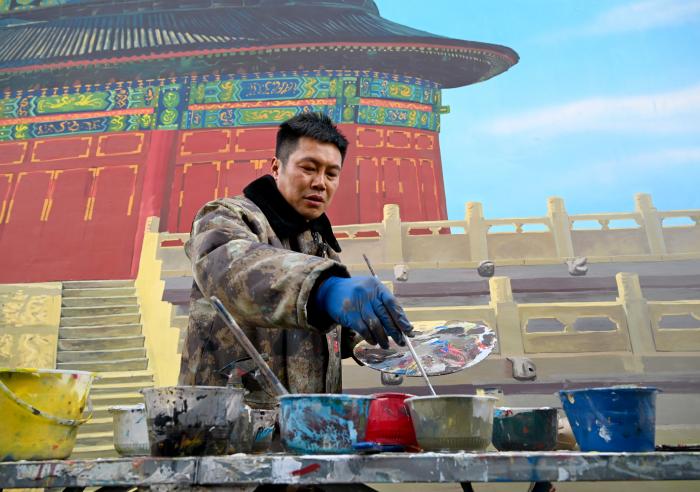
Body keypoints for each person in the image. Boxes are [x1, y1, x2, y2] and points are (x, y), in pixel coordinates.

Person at [178, 112, 413, 408]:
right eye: (309, 168)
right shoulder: (224, 216)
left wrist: (384, 340)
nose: (320, 183)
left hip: (310, 425)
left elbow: (334, 333)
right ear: (276, 167)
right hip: (229, 424)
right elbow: (232, 270)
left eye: (331, 174)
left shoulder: (319, 247)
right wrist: (323, 289)